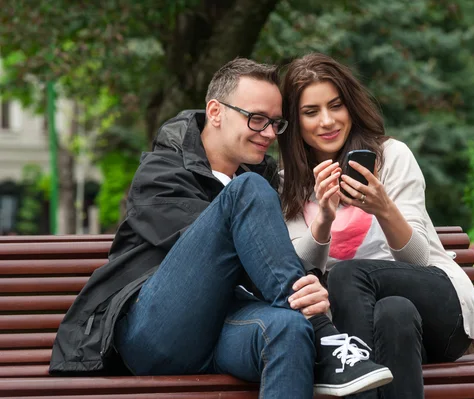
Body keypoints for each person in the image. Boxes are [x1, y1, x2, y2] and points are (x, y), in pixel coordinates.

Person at [49, 58, 393, 398]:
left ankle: (314, 331)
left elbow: (269, 261)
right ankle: (323, 333)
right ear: (215, 112)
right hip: (157, 332)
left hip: (228, 329)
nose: (270, 134)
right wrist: (304, 298)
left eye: (276, 123)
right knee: (248, 192)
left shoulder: (262, 179)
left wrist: (308, 287)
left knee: (288, 328)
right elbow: (219, 256)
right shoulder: (162, 172)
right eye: (257, 120)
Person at [278, 52, 474, 398]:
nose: (327, 121)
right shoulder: (287, 185)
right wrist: (324, 219)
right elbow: (298, 272)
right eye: (311, 112)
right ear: (295, 122)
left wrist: (384, 208)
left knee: (346, 274)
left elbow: (418, 260)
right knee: (394, 312)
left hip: (439, 311)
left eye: (336, 106)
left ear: (351, 107)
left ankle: (353, 380)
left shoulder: (392, 158)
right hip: (382, 326)